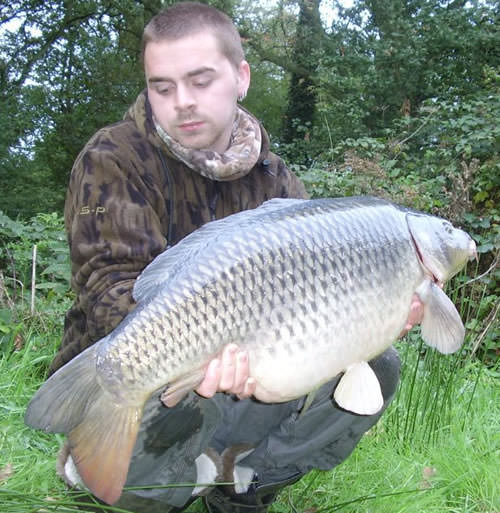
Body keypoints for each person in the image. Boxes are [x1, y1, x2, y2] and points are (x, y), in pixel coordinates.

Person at [48, 3, 422, 512]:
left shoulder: (277, 181)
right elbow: (109, 289)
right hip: (149, 373)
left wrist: (369, 320)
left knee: (379, 365)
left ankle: (242, 481)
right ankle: (107, 468)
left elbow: (315, 304)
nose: (182, 102)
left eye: (201, 81)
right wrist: (202, 342)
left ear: (241, 77)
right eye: (162, 87)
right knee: (145, 489)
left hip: (256, 364)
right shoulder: (114, 157)